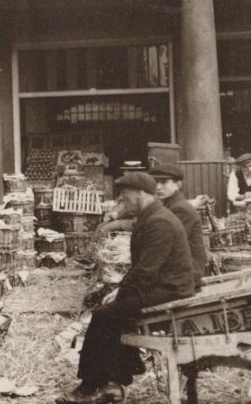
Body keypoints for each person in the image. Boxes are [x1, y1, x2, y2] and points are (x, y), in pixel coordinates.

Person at [56, 172, 194, 404]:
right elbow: (142, 267)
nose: (123, 199)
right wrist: (120, 290)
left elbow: (146, 271)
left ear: (139, 193)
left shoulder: (159, 221)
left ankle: (92, 385)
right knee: (112, 312)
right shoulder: (152, 217)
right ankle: (111, 383)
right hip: (163, 285)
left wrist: (122, 292)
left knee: (104, 316)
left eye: (125, 194)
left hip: (170, 289)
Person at [149, 164, 206, 289]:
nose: (158, 187)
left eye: (164, 182)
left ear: (178, 185)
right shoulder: (170, 205)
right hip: (178, 269)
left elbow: (165, 245)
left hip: (186, 273)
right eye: (156, 181)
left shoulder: (180, 209)